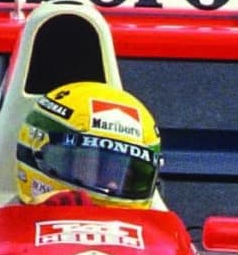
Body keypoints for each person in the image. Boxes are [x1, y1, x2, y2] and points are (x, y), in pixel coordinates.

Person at [14, 84, 164, 206]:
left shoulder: (161, 239)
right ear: (39, 154)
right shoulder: (0, 235)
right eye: (98, 168)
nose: (113, 186)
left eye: (126, 176)